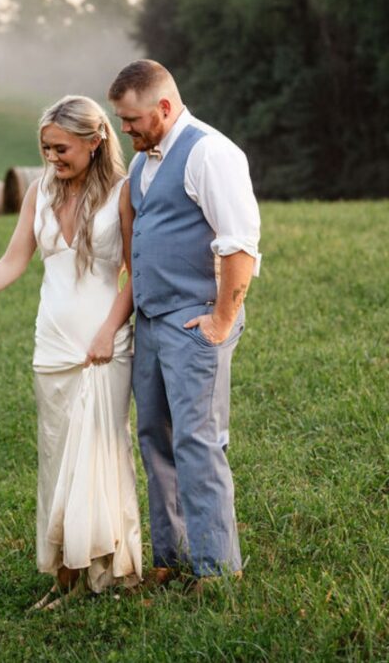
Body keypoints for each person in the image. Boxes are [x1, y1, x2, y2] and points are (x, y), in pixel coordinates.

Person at [0, 95, 142, 609]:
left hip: (102, 345)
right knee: (56, 459)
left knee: (99, 454)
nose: (52, 158)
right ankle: (66, 577)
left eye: (62, 148)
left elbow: (137, 274)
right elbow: (11, 262)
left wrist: (108, 331)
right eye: (45, 148)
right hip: (51, 346)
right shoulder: (38, 193)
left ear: (95, 142)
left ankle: (104, 571)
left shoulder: (124, 192)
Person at [107, 60, 261, 587]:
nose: (123, 130)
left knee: (198, 441)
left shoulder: (210, 153)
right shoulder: (142, 164)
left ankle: (218, 570)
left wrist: (221, 320)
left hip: (195, 323)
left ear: (165, 107)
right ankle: (171, 559)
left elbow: (240, 243)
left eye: (131, 120)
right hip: (152, 322)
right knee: (154, 438)